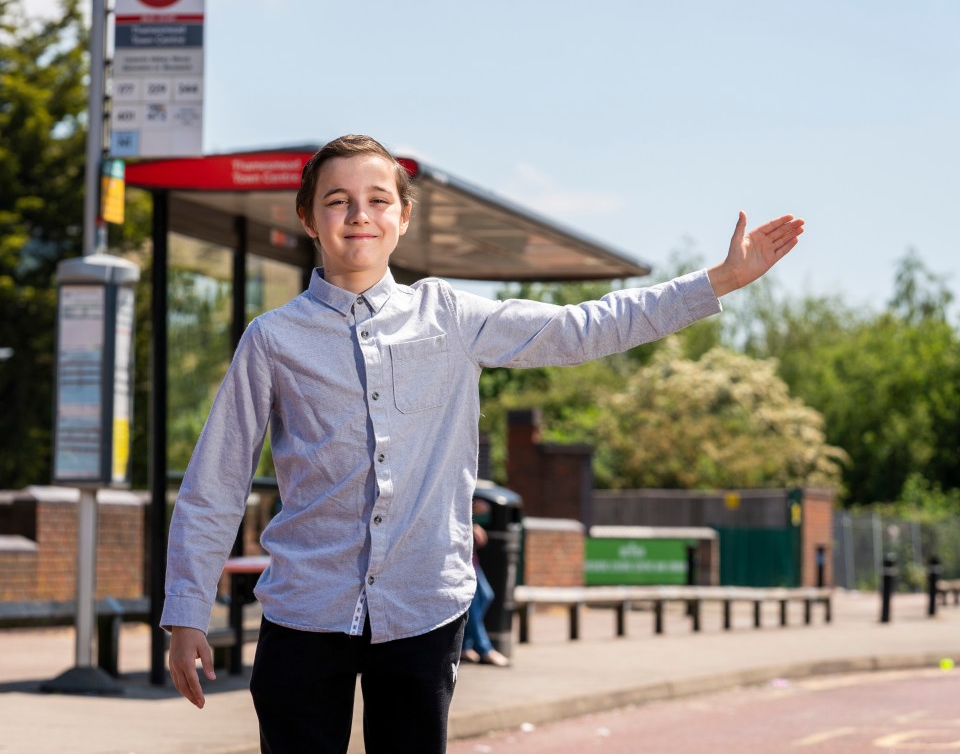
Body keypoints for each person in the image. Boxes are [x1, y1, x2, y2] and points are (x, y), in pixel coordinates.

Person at [163, 134, 804, 754]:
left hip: (421, 609)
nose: (360, 214)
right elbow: (215, 482)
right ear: (308, 218)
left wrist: (715, 281)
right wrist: (187, 612)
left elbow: (582, 328)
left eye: (379, 199)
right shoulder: (272, 339)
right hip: (305, 610)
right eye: (337, 200)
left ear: (404, 217)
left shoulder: (451, 317)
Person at [461, 499, 509, 667]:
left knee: (486, 595)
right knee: (472, 600)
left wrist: (473, 521)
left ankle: (464, 645)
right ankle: (485, 648)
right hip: (462, 558)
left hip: (472, 559)